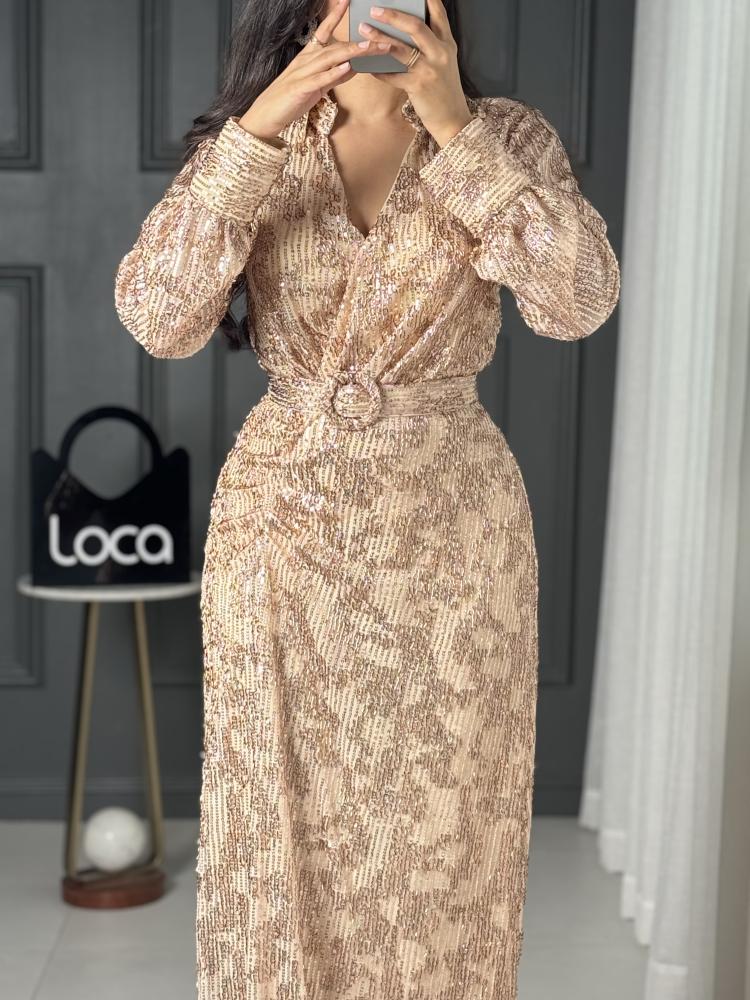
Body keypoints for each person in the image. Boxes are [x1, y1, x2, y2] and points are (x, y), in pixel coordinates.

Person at [114, 0, 621, 995]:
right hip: (284, 527)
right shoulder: (255, 139)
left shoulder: (504, 134)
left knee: (445, 832)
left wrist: (458, 130)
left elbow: (578, 302)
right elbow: (158, 318)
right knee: (280, 818)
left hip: (452, 531)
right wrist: (264, 123)